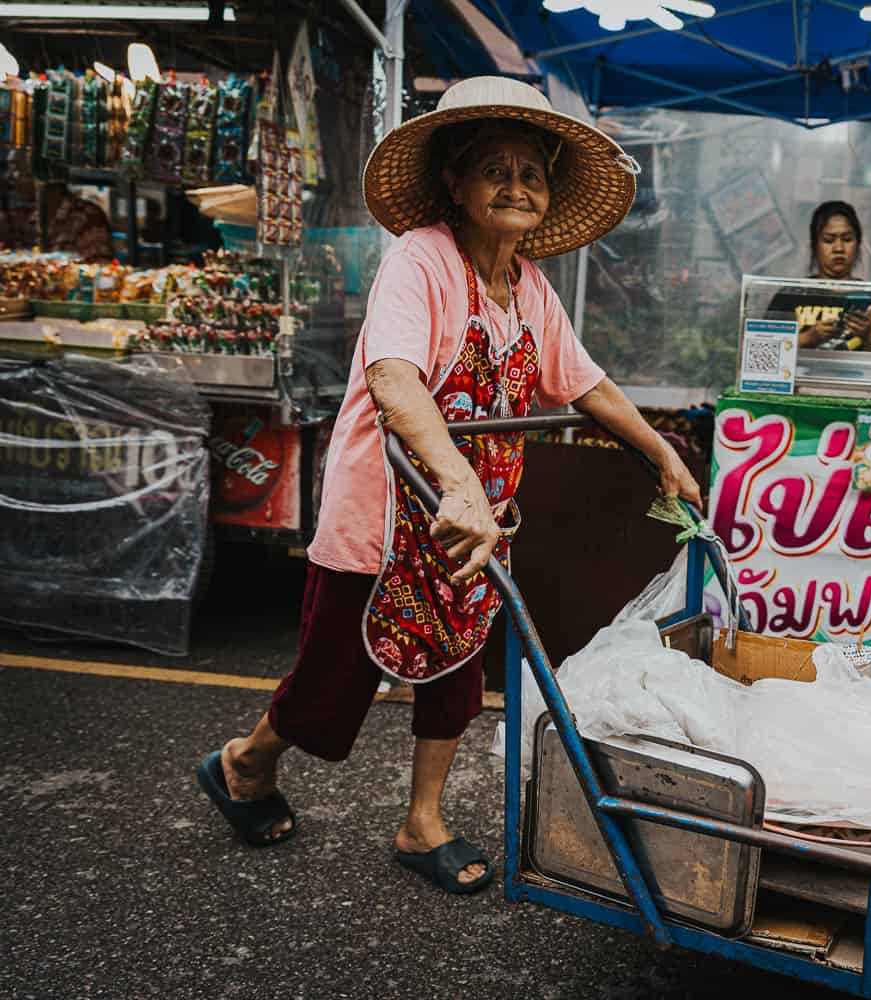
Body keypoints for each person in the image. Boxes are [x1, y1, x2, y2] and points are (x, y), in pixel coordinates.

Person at [194, 77, 701, 893]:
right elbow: (395, 378)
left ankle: (420, 821)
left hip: (474, 519)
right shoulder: (420, 259)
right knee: (334, 680)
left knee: (457, 670)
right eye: (494, 170)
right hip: (386, 513)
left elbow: (585, 382)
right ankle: (245, 763)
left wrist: (662, 453)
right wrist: (458, 484)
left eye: (531, 174)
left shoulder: (529, 287)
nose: (516, 186)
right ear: (455, 184)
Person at [767, 201, 871, 354]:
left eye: (847, 239)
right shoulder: (791, 295)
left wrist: (869, 336)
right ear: (815, 245)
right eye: (828, 240)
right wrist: (808, 338)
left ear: (858, 244)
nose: (839, 248)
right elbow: (763, 350)